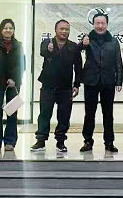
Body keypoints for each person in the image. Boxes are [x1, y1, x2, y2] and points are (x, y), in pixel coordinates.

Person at [30, 19, 82, 153]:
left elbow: (78, 67)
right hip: (48, 86)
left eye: (66, 29)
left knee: (64, 116)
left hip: (65, 88)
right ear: (55, 30)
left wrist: (76, 84)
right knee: (44, 114)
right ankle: (41, 140)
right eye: (61, 29)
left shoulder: (73, 47)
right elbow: (42, 52)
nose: (64, 31)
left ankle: (60, 141)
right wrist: (48, 50)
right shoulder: (47, 43)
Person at [80, 12, 123, 153]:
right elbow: (78, 50)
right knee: (89, 113)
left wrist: (119, 80)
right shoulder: (88, 39)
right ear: (93, 24)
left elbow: (118, 62)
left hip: (108, 81)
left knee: (108, 113)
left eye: (102, 23)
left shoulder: (113, 41)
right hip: (91, 81)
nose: (100, 26)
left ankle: (109, 142)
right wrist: (83, 44)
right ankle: (87, 141)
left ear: (107, 24)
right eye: (97, 23)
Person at [0, 18, 23, 152]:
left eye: (10, 28)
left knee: (12, 111)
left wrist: (14, 79)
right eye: (5, 28)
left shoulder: (18, 45)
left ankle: (10, 142)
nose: (8, 30)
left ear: (13, 30)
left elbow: (21, 64)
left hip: (12, 83)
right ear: (1, 30)